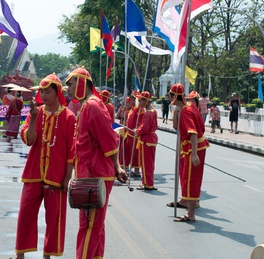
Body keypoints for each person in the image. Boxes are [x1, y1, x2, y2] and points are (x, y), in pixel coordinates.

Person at [65, 66, 127, 259]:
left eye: (71, 83)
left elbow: (110, 140)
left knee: (89, 226)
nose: (68, 89)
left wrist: (116, 166)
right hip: (91, 173)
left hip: (95, 174)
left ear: (82, 83)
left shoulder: (92, 105)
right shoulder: (87, 105)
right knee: (95, 225)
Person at [14, 73, 76, 259]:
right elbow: (28, 140)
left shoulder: (68, 117)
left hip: (56, 177)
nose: (44, 95)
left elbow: (71, 151)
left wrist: (67, 177)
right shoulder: (36, 113)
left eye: (47, 92)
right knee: (25, 214)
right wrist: (33, 119)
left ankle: (47, 255)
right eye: (42, 91)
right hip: (33, 173)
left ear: (57, 92)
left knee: (54, 218)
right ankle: (20, 254)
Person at [167, 83, 209, 222]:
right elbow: (175, 127)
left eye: (170, 95)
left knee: (192, 179)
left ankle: (191, 214)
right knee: (186, 176)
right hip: (190, 146)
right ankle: (185, 201)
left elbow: (193, 133)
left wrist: (195, 153)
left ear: (174, 96)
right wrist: (176, 110)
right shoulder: (187, 107)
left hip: (193, 147)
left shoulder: (186, 111)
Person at [134, 91, 158, 191]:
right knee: (149, 162)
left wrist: (137, 131)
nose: (139, 102)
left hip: (147, 140)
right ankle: (148, 182)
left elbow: (144, 128)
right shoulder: (152, 110)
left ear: (145, 101)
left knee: (146, 163)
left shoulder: (148, 113)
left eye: (141, 100)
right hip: (150, 139)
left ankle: (147, 183)